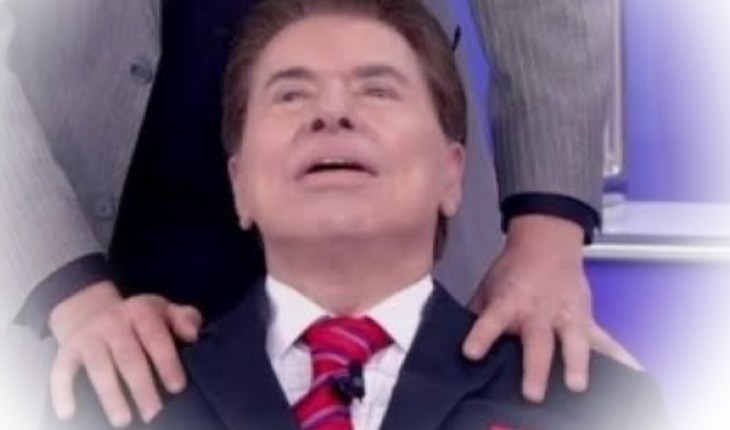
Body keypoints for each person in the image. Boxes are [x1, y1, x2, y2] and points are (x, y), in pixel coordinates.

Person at [0, 0, 635, 428]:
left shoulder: (599, 406)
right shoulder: (91, 406)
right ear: (237, 179)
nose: (332, 113)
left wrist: (547, 230)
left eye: (376, 89)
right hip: (96, 262)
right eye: (293, 95)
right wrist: (68, 286)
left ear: (454, 170)